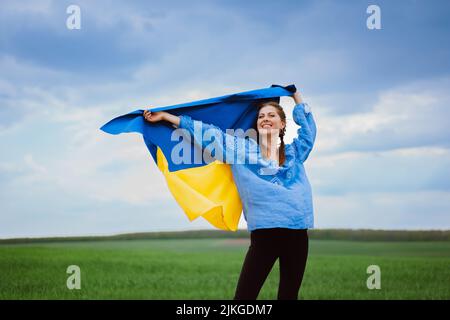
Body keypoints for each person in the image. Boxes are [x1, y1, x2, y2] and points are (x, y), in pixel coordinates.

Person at [143, 91, 317, 300]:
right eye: (261, 116)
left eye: (271, 116)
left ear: (282, 124)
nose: (265, 119)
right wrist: (167, 117)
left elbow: (308, 132)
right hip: (265, 234)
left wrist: (295, 96)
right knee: (244, 298)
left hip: (297, 233)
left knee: (289, 295)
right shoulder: (241, 150)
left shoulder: (294, 153)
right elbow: (209, 134)